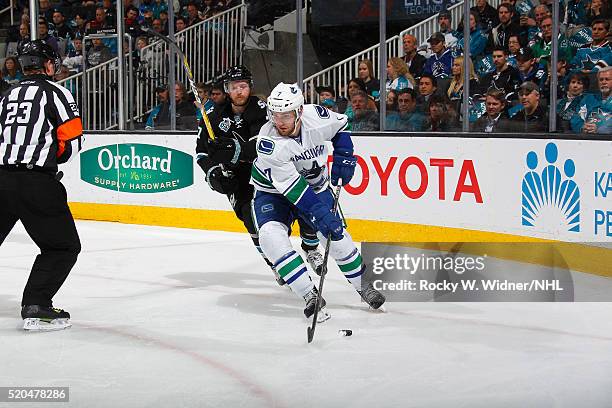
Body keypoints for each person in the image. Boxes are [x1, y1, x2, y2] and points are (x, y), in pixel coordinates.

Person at [251, 82, 386, 320]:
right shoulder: (268, 142)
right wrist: (321, 213)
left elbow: (341, 124)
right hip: (273, 193)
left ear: (299, 112)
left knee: (338, 238)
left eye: (286, 115)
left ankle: (364, 287)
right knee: (270, 237)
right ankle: (308, 294)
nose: (279, 121)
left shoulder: (318, 116)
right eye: (275, 115)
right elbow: (295, 191)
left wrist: (345, 154)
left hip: (316, 186)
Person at [195, 66, 324, 285]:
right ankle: (275, 263)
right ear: (227, 89)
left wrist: (233, 150)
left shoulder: (261, 109)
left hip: (267, 173)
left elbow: (261, 145)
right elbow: (201, 152)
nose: (239, 91)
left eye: (243, 86)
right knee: (252, 224)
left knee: (302, 203)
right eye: (234, 87)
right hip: (237, 180)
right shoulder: (213, 116)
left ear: (250, 87)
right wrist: (213, 172)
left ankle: (310, 247)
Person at [0, 40, 83, 331]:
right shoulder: (57, 92)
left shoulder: (7, 95)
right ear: (48, 64)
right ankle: (37, 305)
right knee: (62, 247)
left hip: (1, 178)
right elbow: (72, 145)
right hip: (36, 181)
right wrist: (47, 157)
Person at [571, 66, 611, 134]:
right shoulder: (589, 99)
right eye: (601, 80)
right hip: (586, 139)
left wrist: (599, 129)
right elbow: (576, 118)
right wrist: (582, 127)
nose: (603, 82)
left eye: (607, 79)